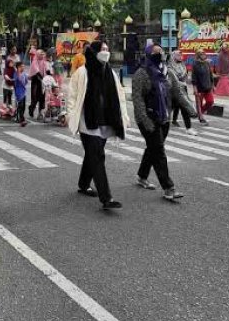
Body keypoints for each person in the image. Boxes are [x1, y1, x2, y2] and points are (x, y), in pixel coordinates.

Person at [65, 41, 129, 210]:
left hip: (106, 122)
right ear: (94, 52)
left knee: (92, 155)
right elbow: (72, 96)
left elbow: (120, 96)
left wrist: (124, 117)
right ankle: (106, 198)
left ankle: (83, 184)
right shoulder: (82, 72)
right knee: (98, 156)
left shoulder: (111, 73)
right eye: (103, 49)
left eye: (108, 49)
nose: (106, 52)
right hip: (87, 122)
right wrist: (70, 115)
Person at [132, 44, 195, 201]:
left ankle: (141, 176)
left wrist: (190, 109)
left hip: (164, 117)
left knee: (153, 148)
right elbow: (137, 100)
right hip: (147, 118)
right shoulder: (141, 74)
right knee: (159, 151)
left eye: (161, 51)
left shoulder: (168, 73)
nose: (159, 54)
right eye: (155, 52)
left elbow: (178, 93)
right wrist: (145, 121)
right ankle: (169, 188)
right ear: (148, 54)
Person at [168, 50, 197, 136]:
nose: (180, 56)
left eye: (180, 55)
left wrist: (189, 80)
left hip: (183, 89)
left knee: (184, 108)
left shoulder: (182, 65)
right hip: (173, 91)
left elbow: (186, 77)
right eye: (178, 55)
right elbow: (171, 79)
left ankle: (189, 128)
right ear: (173, 56)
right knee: (168, 109)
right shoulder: (169, 67)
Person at [191, 49, 214, 124]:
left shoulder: (207, 63)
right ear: (198, 55)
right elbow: (193, 78)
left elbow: (210, 75)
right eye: (201, 54)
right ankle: (201, 118)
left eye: (204, 53)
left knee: (210, 102)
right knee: (199, 104)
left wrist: (213, 85)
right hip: (199, 88)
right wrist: (195, 88)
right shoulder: (195, 64)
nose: (203, 55)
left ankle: (201, 112)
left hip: (208, 87)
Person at [28, 49, 48, 119]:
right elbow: (36, 71)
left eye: (42, 54)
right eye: (40, 54)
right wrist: (41, 78)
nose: (42, 55)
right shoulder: (35, 60)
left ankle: (40, 113)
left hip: (43, 81)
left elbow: (46, 69)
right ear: (37, 54)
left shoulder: (44, 61)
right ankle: (31, 109)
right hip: (36, 80)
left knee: (42, 97)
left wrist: (48, 77)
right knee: (35, 97)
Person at [14, 61, 29, 127]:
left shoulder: (24, 74)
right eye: (21, 66)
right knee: (20, 105)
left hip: (24, 91)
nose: (23, 67)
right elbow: (18, 80)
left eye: (23, 66)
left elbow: (26, 81)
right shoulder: (15, 74)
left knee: (23, 106)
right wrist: (19, 72)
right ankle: (20, 118)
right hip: (18, 91)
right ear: (17, 67)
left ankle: (21, 117)